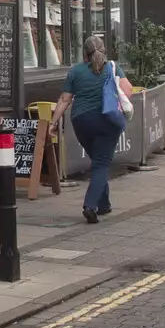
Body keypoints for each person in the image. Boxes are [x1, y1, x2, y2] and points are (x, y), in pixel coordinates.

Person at [51, 34, 128, 224]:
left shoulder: (76, 71)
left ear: (84, 53)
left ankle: (104, 204)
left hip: (81, 121)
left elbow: (64, 100)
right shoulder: (112, 67)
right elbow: (128, 90)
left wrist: (53, 123)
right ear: (103, 50)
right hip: (107, 120)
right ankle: (90, 206)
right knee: (101, 163)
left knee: (98, 161)